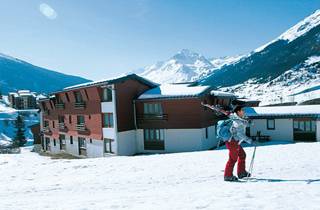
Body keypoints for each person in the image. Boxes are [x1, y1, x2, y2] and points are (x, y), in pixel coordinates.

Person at [224, 105, 253, 182]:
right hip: (233, 142)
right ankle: (228, 175)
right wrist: (250, 140)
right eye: (242, 110)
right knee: (233, 159)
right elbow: (240, 134)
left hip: (236, 142)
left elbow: (243, 123)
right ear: (238, 111)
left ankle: (241, 172)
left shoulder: (236, 118)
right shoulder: (237, 121)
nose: (244, 111)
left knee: (242, 155)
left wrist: (248, 122)